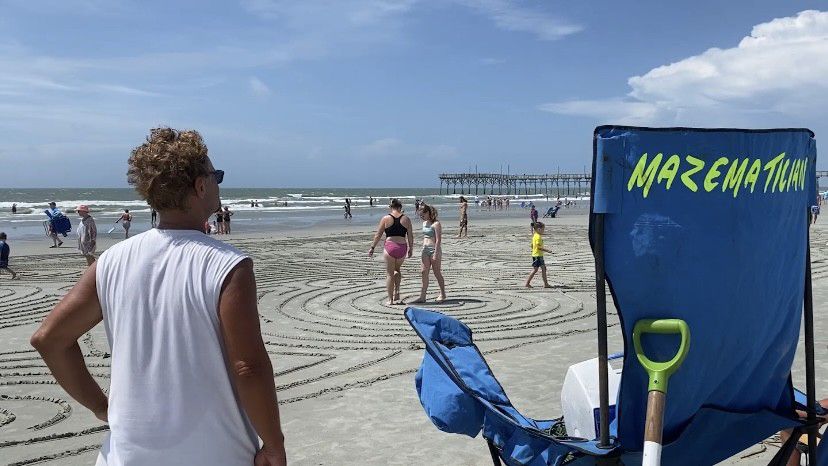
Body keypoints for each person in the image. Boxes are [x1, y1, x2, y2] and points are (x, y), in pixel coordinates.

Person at [29, 127, 287, 466]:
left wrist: (100, 406)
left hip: (126, 455)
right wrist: (273, 443)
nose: (219, 183)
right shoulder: (228, 265)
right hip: (217, 451)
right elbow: (248, 367)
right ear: (200, 185)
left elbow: (50, 339)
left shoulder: (110, 262)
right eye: (216, 176)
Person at [368, 199, 414, 305]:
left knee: (389, 274)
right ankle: (397, 290)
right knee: (397, 269)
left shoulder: (385, 218)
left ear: (391, 207)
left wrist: (372, 247)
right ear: (400, 207)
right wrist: (411, 248)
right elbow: (410, 236)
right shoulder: (406, 219)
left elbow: (378, 234)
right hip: (402, 247)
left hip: (390, 247)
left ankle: (390, 300)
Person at [410, 203, 446, 304]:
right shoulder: (424, 223)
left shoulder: (436, 224)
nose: (421, 217)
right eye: (420, 215)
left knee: (436, 272)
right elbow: (425, 236)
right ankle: (422, 296)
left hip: (434, 249)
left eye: (423, 215)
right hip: (425, 250)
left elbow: (438, 240)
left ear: (428, 213)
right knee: (423, 272)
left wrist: (435, 252)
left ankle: (442, 294)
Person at [525, 221, 552, 289]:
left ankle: (546, 284)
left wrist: (534, 249)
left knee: (543, 269)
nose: (543, 231)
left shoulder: (535, 235)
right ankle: (527, 283)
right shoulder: (538, 237)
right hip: (538, 256)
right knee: (536, 270)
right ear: (539, 229)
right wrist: (547, 250)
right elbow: (538, 247)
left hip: (537, 255)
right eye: (543, 229)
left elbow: (531, 245)